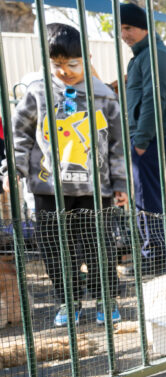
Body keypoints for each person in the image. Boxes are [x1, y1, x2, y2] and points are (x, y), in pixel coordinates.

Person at [9, 23, 127, 326]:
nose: (64, 71)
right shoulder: (38, 91)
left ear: (87, 59)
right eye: (56, 65)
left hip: (94, 187)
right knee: (54, 246)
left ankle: (105, 297)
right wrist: (15, 167)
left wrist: (120, 182)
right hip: (49, 188)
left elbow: (117, 143)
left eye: (72, 64)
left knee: (97, 244)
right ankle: (68, 299)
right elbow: (20, 133)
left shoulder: (103, 95)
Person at [120, 2, 166, 273]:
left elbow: (152, 100)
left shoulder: (153, 56)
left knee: (149, 202)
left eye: (130, 28)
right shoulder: (148, 55)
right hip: (162, 139)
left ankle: (154, 258)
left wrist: (142, 141)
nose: (124, 34)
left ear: (144, 28)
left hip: (155, 140)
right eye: (121, 29)